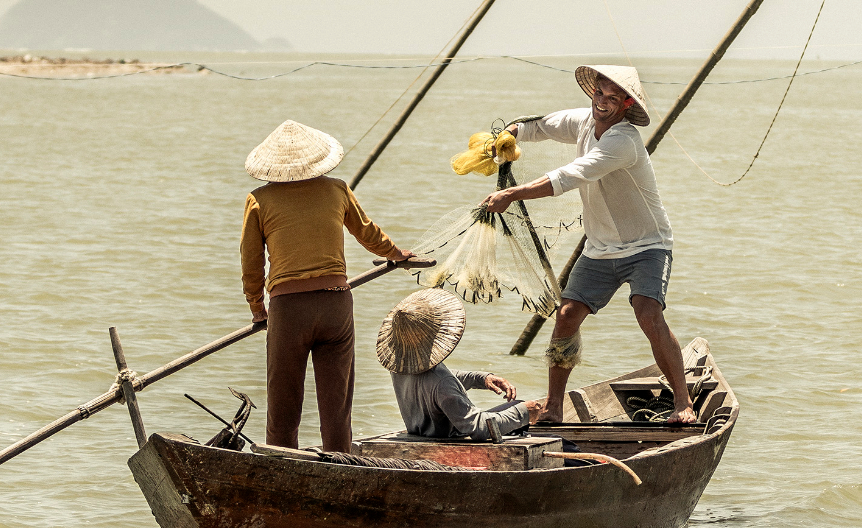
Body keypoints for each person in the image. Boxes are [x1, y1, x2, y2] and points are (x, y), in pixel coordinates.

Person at [482, 64, 696, 424]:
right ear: (593, 91)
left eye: (614, 98)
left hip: (647, 245)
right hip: (599, 248)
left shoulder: (623, 141)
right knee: (566, 316)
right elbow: (540, 125)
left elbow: (570, 175)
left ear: (626, 104)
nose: (603, 102)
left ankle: (683, 403)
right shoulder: (582, 121)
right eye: (600, 93)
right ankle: (553, 406)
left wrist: (513, 193)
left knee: (647, 312)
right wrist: (511, 134)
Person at [241, 119, 410, 452]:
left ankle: (282, 468)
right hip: (335, 304)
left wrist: (258, 310)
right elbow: (369, 234)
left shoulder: (258, 200)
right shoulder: (337, 189)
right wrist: (397, 254)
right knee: (337, 409)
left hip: (288, 311)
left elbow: (251, 264)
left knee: (283, 410)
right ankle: (341, 467)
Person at [376, 289, 545, 440]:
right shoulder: (442, 384)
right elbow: (479, 428)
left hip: (422, 433)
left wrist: (482, 378)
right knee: (520, 407)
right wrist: (523, 412)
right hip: (451, 441)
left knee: (517, 407)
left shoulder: (400, 367)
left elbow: (435, 384)